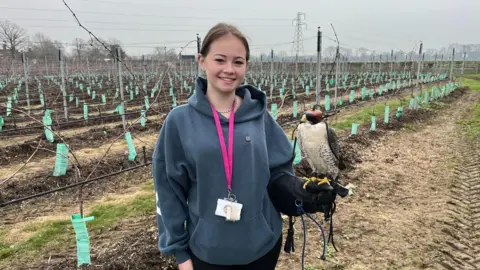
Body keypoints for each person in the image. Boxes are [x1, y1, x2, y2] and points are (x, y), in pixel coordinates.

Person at [152, 23, 336, 270]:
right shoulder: (180, 121)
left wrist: (300, 192)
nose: (229, 69)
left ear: (246, 65)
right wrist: (180, 253)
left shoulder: (260, 116)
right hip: (208, 253)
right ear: (202, 61)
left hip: (262, 247)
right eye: (220, 59)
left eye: (238, 62)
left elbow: (278, 175)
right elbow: (168, 191)